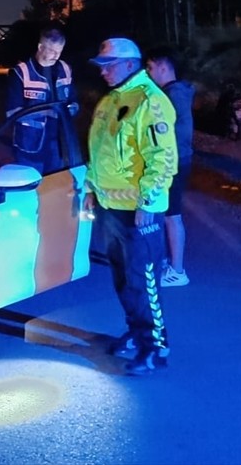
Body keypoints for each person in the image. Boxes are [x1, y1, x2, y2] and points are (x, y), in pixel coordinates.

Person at [83, 37, 179, 376]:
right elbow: (100, 150)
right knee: (123, 280)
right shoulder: (111, 101)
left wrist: (149, 203)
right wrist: (91, 188)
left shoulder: (150, 101)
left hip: (140, 212)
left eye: (109, 65)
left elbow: (163, 159)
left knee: (144, 279)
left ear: (129, 64)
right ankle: (138, 332)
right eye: (101, 66)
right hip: (111, 208)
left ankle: (155, 347)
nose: (104, 72)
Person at [145, 46, 195, 288]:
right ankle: (170, 264)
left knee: (172, 217)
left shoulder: (172, 95)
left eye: (151, 67)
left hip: (174, 162)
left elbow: (176, 133)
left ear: (163, 67)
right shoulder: (176, 92)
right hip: (176, 160)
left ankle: (177, 271)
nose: (148, 72)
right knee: (166, 215)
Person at [5, 28, 80, 173]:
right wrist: (48, 112)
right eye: (52, 51)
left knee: (53, 188)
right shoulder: (21, 73)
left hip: (59, 145)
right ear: (40, 47)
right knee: (31, 189)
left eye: (59, 51)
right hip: (30, 146)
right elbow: (12, 113)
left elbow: (74, 101)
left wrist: (70, 110)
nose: (56, 56)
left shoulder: (65, 69)